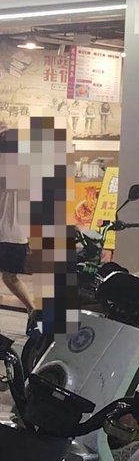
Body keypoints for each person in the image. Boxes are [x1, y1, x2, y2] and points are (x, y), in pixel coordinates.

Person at [0, 129, 35, 320]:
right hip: (18, 236)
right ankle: (32, 310)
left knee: (9, 277)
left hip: (2, 233)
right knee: (10, 277)